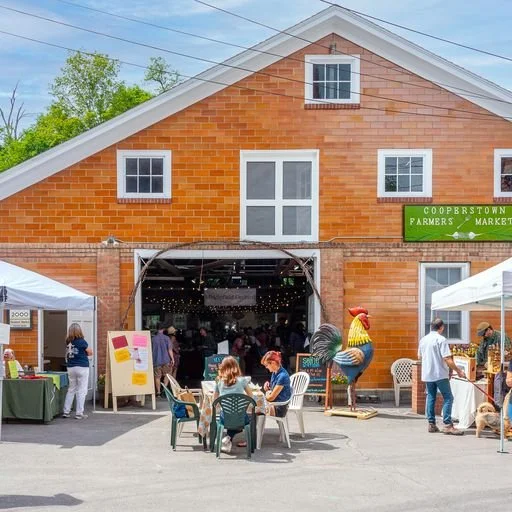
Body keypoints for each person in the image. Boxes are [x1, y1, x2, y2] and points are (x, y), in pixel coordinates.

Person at [418, 318, 465, 435]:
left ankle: (431, 424)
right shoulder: (441, 339)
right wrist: (458, 371)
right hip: (439, 373)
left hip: (427, 374)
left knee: (431, 397)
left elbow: (419, 356)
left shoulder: (423, 340)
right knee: (448, 397)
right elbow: (447, 358)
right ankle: (448, 424)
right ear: (441, 327)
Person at [213, 356, 253, 453]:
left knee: (228, 417)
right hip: (241, 418)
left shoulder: (219, 382)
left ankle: (228, 437)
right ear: (236, 367)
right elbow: (251, 397)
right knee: (250, 418)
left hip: (225, 418)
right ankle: (230, 438)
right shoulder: (243, 381)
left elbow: (214, 402)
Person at [63, 323, 93, 419]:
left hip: (71, 367)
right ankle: (79, 413)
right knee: (81, 390)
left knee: (71, 389)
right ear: (79, 331)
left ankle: (66, 411)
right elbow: (90, 352)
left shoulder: (68, 342)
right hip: (82, 367)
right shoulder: (82, 341)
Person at [261, 350, 292, 417]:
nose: (266, 367)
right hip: (274, 404)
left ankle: (256, 427)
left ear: (273, 363)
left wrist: (265, 394)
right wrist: (268, 387)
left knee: (255, 409)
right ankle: (257, 427)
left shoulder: (282, 376)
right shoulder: (275, 372)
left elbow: (271, 398)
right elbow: (273, 390)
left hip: (279, 408)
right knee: (254, 407)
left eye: (266, 365)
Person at [152, 322, 175, 398]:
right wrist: (172, 359)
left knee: (157, 377)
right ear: (163, 329)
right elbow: (170, 350)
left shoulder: (153, 339)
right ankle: (164, 389)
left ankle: (158, 392)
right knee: (167, 375)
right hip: (166, 360)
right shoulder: (167, 338)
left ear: (157, 329)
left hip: (156, 361)